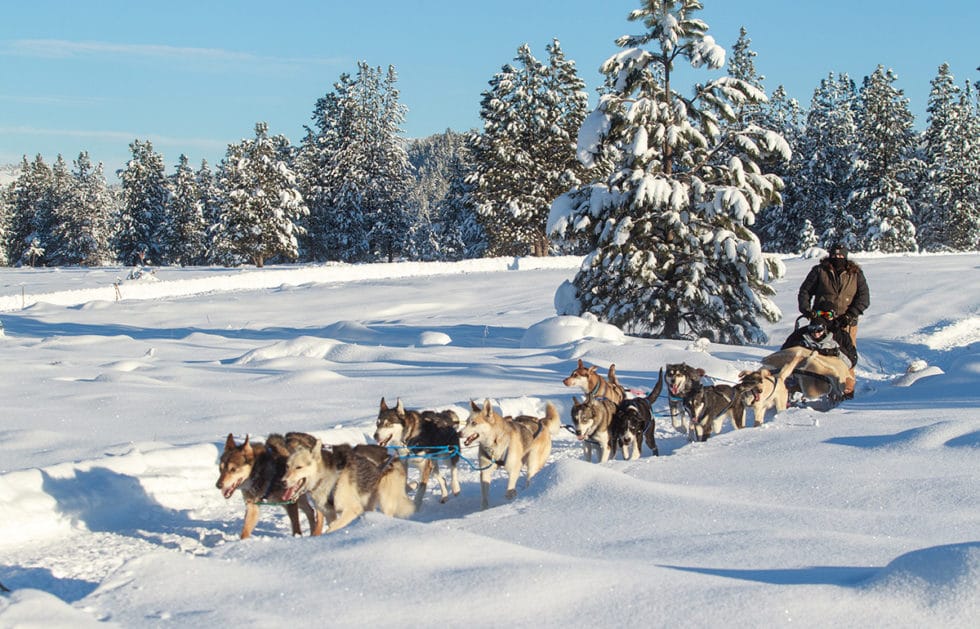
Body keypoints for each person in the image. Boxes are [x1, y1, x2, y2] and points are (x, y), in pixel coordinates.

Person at [797, 243, 869, 398]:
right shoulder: (819, 271)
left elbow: (864, 298)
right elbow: (805, 291)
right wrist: (807, 311)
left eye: (841, 255)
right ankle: (815, 387)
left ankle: (847, 390)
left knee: (847, 356)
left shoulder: (855, 274)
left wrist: (850, 315)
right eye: (835, 255)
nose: (838, 258)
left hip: (846, 322)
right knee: (818, 354)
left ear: (846, 255)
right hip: (821, 321)